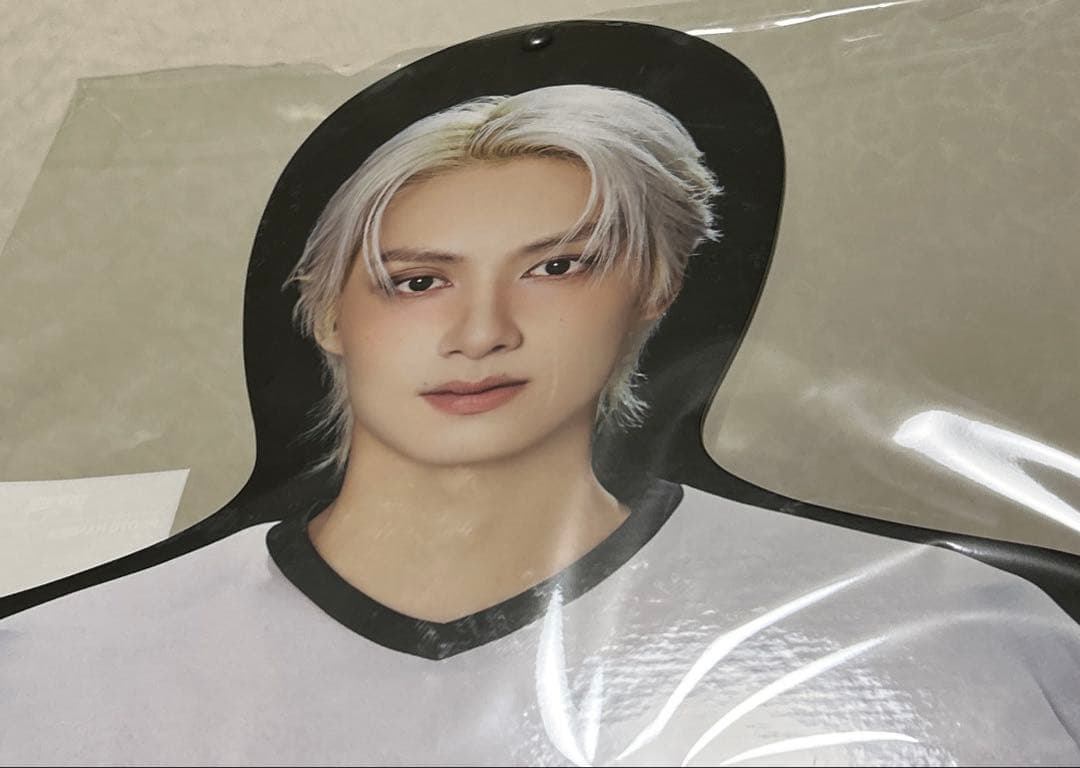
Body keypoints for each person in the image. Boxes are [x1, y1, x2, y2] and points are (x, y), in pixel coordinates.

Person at [2, 84, 1079, 767]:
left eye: (559, 267)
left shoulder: (935, 631)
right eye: (416, 280)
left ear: (654, 287)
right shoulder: (57, 666)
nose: (482, 332)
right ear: (328, 310)